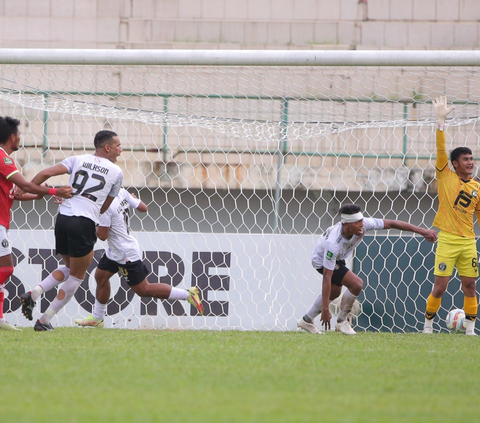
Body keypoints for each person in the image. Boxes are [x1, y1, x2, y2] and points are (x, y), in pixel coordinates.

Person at [20, 130, 124, 331]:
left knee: (69, 268)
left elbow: (45, 173)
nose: (121, 150)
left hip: (63, 218)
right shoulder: (116, 172)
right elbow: (104, 207)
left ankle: (35, 291)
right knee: (78, 276)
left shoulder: (77, 159)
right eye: (118, 146)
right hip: (84, 222)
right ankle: (45, 320)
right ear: (107, 147)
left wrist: (24, 189)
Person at [297, 203, 437, 335]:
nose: (361, 225)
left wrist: (423, 231)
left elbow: (392, 223)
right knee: (356, 284)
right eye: (357, 223)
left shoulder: (363, 224)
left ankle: (306, 320)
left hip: (338, 258)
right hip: (322, 261)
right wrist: (326, 310)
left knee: (334, 293)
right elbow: (327, 276)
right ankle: (341, 321)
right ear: (346, 225)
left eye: (361, 221)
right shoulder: (333, 244)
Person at [74, 187, 203, 328]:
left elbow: (102, 236)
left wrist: (89, 221)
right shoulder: (121, 192)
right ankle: (98, 318)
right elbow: (143, 208)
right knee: (101, 277)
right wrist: (131, 200)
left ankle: (187, 294)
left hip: (125, 253)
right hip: (115, 250)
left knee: (143, 289)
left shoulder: (106, 206)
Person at [0, 116, 72, 331]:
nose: (20, 138)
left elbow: (17, 193)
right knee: (6, 268)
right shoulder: (2, 158)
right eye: (19, 134)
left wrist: (40, 195)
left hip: (3, 223)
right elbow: (22, 184)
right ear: (12, 136)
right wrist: (53, 191)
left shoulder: (6, 160)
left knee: (5, 269)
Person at [422, 96, 480, 336]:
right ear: (455, 164)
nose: (471, 163)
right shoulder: (446, 177)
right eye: (465, 160)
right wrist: (440, 121)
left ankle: (469, 330)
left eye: (472, 159)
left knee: (470, 286)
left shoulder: (477, 188)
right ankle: (427, 326)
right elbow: (440, 149)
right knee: (440, 286)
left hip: (468, 241)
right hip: (446, 239)